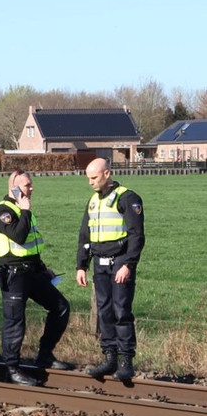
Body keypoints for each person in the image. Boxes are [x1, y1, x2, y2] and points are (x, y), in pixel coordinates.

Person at [0, 170, 70, 385]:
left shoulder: (24, 210)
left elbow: (30, 246)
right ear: (13, 188)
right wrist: (25, 211)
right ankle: (12, 368)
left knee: (61, 307)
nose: (31, 188)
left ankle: (44, 355)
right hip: (14, 276)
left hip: (33, 272)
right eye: (27, 185)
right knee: (15, 322)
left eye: (31, 184)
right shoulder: (2, 211)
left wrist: (43, 268)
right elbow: (18, 235)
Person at [76, 158, 145, 381]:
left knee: (120, 311)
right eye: (88, 178)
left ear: (107, 174)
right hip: (100, 264)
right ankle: (109, 357)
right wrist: (81, 265)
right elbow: (84, 236)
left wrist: (128, 264)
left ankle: (126, 361)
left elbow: (137, 235)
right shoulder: (93, 201)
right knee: (104, 311)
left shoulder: (127, 198)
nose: (90, 183)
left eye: (94, 178)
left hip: (120, 262)